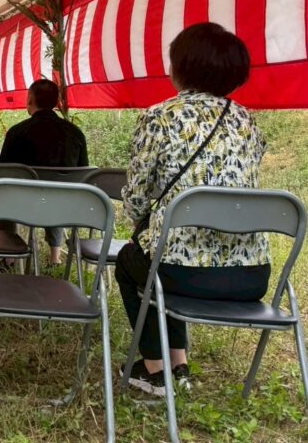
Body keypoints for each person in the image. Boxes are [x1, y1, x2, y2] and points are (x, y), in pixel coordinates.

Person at [116, 22, 270, 397]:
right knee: (161, 254)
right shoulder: (248, 122)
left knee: (134, 261)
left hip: (179, 273)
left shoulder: (160, 117)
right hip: (251, 275)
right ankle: (179, 362)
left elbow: (137, 200)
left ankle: (155, 370)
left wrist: (146, 219)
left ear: (180, 67)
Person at [0, 77, 89, 265]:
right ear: (57, 101)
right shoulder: (75, 133)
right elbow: (83, 173)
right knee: (56, 189)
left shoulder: (17, 133)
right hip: (65, 206)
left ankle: (9, 256)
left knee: (0, 193)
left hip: (22, 205)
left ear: (30, 99)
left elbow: (2, 173)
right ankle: (55, 256)